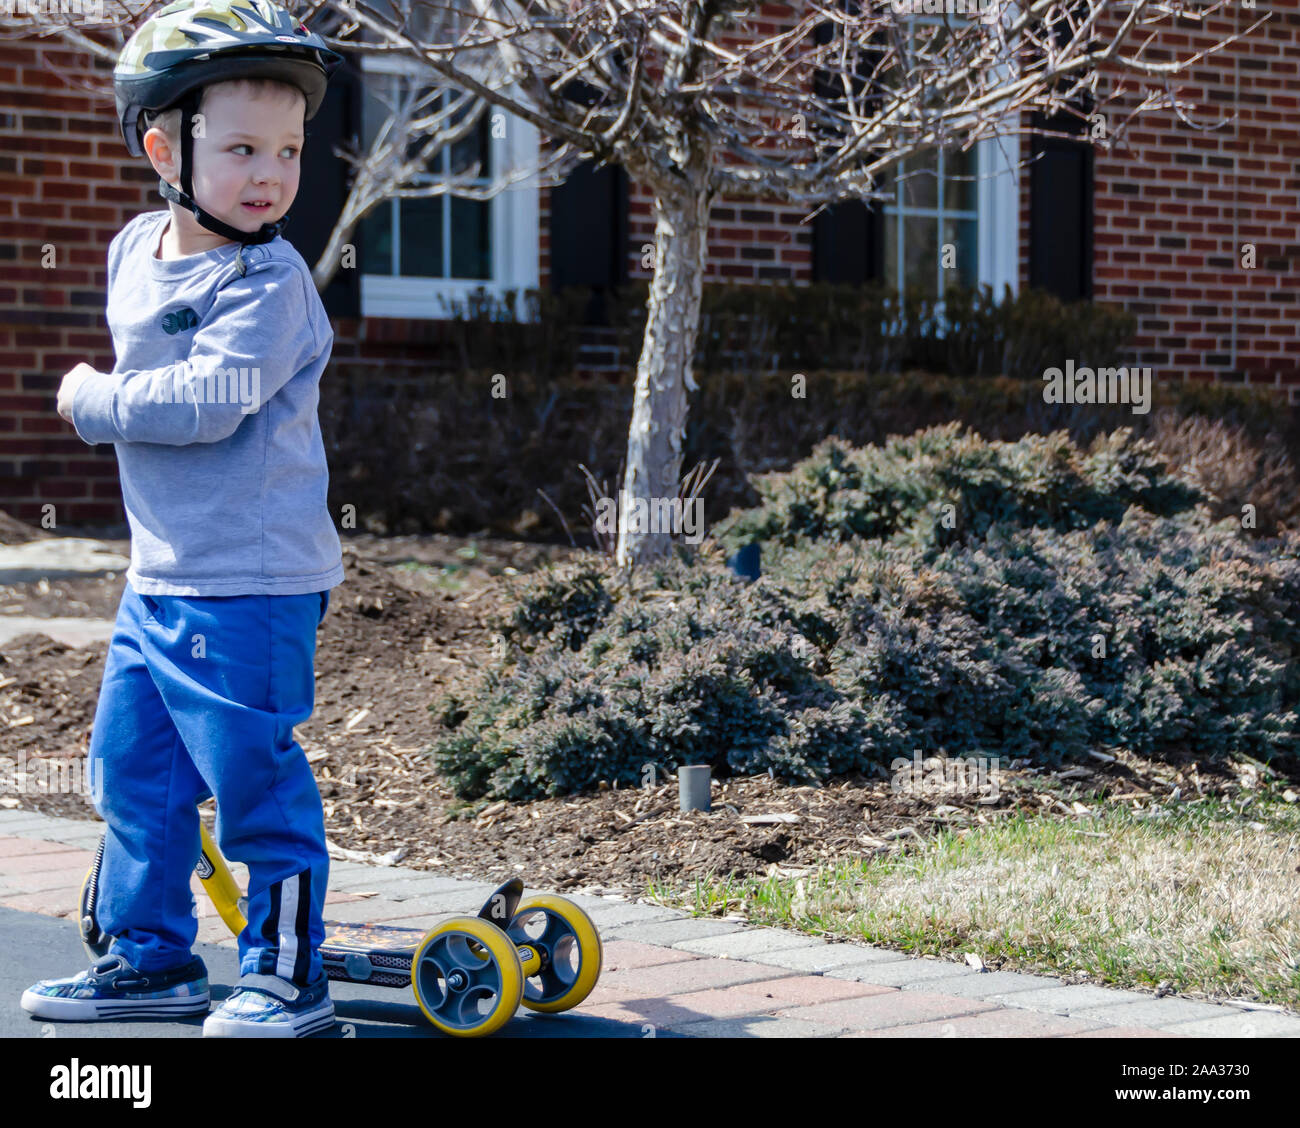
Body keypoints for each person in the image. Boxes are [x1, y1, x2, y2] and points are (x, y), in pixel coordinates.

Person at [22, 0, 345, 1038]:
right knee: (133, 775)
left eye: (288, 151)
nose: (270, 175)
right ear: (164, 147)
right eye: (242, 147)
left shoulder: (273, 281)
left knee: (253, 781)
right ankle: (150, 959)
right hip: (157, 577)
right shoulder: (133, 249)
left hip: (251, 579)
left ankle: (287, 972)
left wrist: (92, 401)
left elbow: (206, 404)